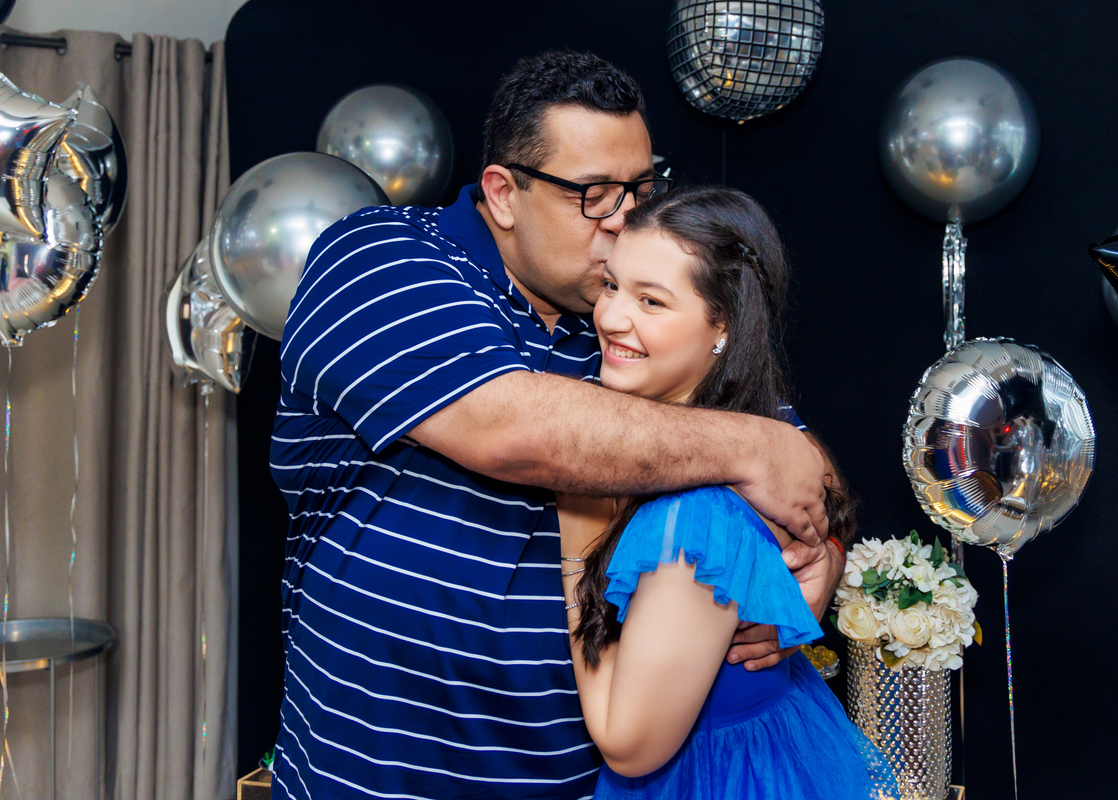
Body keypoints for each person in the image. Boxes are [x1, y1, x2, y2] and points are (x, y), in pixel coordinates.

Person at [270, 51, 844, 800]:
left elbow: (797, 460)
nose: (627, 218)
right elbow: (508, 427)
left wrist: (817, 560)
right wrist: (754, 447)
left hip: (580, 781)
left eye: (642, 187)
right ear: (504, 193)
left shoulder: (624, 313)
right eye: (595, 195)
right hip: (381, 775)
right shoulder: (381, 257)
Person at [558, 186, 892, 798]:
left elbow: (629, 745)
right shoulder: (754, 434)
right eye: (611, 286)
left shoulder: (697, 518)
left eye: (651, 300)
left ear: (723, 326)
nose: (610, 317)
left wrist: (578, 524)